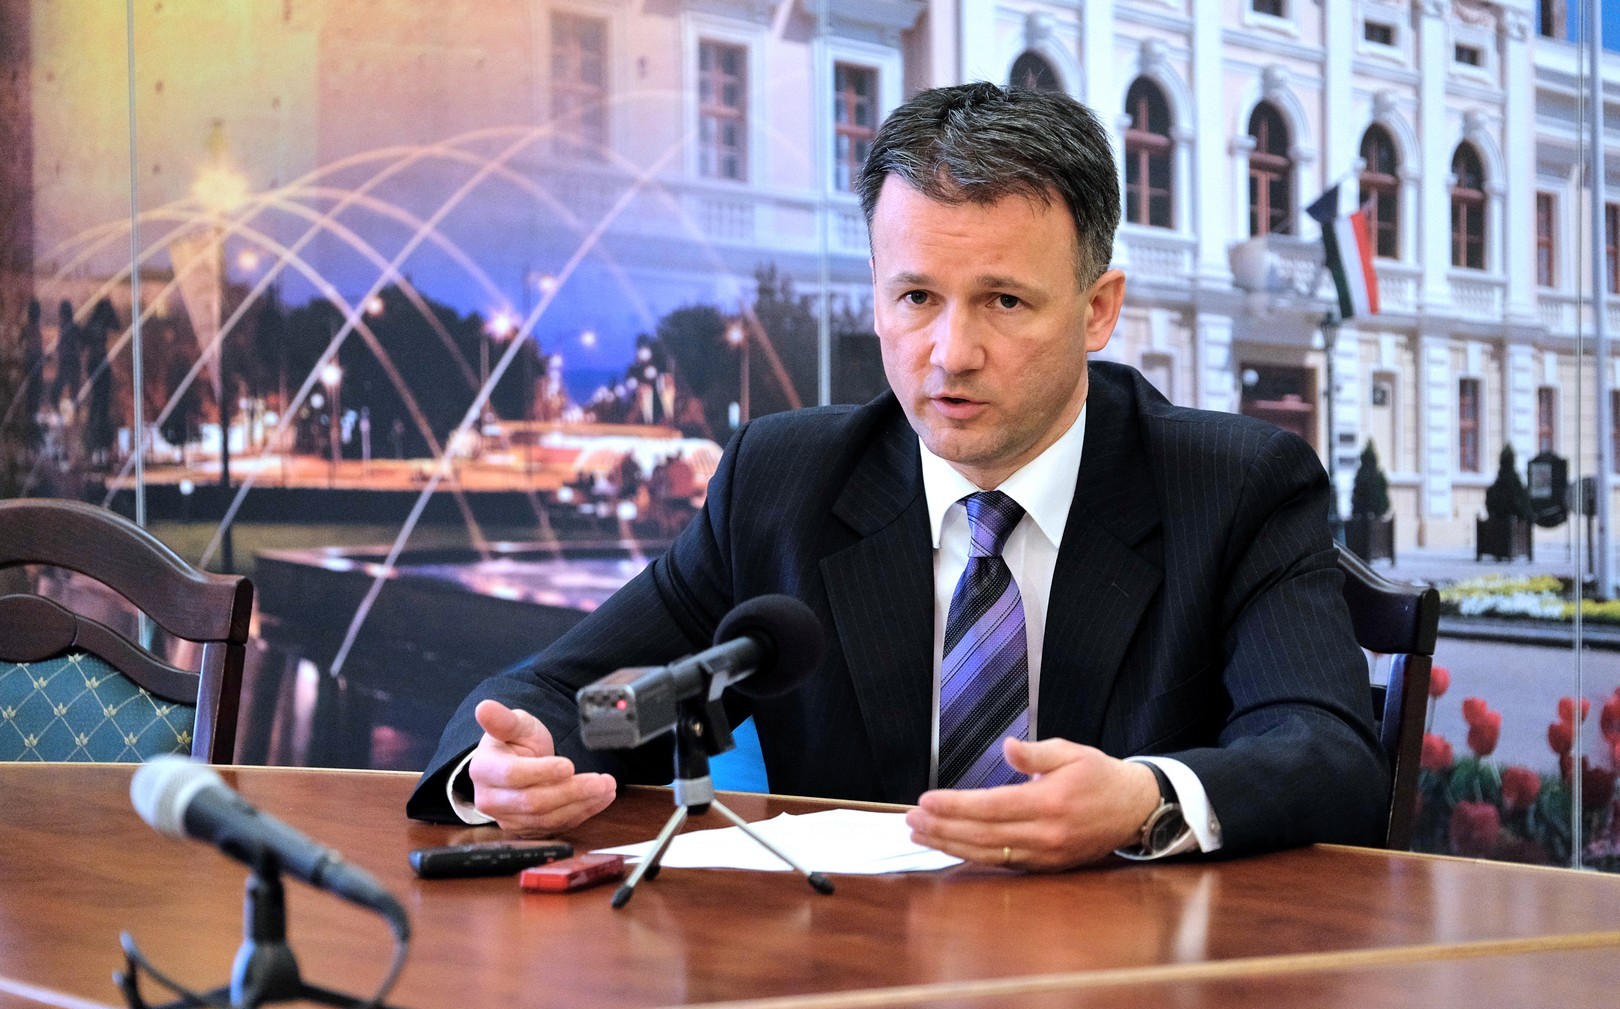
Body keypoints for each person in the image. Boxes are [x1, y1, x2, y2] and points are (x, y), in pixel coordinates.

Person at [408, 82, 1384, 870]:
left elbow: (1326, 751)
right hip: (852, 976)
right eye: (916, 296)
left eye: (1004, 301)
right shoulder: (783, 482)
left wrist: (1147, 799)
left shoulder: (1235, 487)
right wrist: (505, 768)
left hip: (1135, 986)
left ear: (1098, 309)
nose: (950, 353)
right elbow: (552, 688)